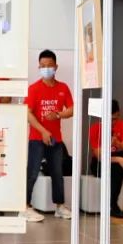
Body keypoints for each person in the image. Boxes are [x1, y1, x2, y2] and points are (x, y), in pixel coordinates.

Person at [23, 49, 74, 222]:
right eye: (42, 65)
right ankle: (24, 207)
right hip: (37, 139)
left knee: (57, 173)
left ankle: (59, 207)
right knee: (32, 173)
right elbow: (27, 113)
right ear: (39, 67)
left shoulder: (63, 88)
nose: (46, 68)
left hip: (56, 139)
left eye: (49, 65)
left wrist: (59, 114)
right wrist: (43, 131)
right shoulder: (34, 88)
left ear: (56, 66)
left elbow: (72, 109)